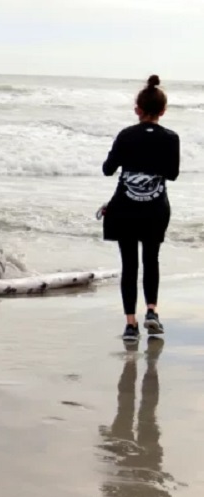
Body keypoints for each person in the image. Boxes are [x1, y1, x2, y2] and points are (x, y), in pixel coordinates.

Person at [101, 74, 180, 342]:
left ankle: (131, 326)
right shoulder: (171, 138)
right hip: (156, 209)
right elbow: (172, 174)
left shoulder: (125, 136)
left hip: (124, 208)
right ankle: (152, 312)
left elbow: (108, 170)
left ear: (137, 109)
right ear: (163, 111)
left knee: (129, 265)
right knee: (151, 259)